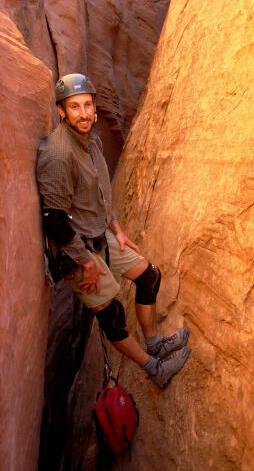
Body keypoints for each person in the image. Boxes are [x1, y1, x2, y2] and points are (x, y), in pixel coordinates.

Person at [36, 73, 190, 388]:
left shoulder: (90, 140)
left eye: (88, 105)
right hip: (75, 250)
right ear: (62, 111)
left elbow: (99, 193)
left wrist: (116, 229)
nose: (83, 113)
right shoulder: (58, 154)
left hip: (100, 235)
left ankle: (154, 343)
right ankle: (154, 369)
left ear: (95, 107)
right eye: (74, 107)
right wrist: (87, 263)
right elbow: (53, 218)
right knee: (113, 317)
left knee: (150, 277)